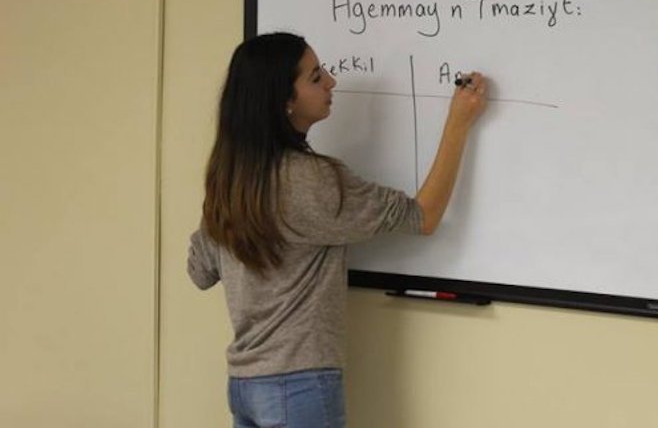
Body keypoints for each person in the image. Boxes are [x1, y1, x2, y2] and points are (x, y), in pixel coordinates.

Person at [187, 32, 488, 428]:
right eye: (315, 77)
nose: (331, 81)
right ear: (285, 100)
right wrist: (458, 124)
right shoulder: (312, 181)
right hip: (298, 388)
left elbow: (199, 272)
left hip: (245, 386)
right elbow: (424, 216)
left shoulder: (232, 180)